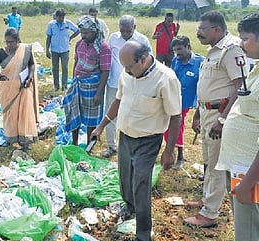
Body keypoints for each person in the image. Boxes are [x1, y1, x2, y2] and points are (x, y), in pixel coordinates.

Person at [91, 41, 181, 241]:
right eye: (123, 66)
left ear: (143, 59)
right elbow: (118, 101)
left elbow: (176, 115)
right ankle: (129, 207)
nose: (126, 71)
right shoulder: (127, 74)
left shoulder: (165, 78)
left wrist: (169, 150)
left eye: (130, 66)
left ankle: (142, 240)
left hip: (148, 140)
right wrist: (101, 126)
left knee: (141, 185)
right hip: (126, 136)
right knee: (125, 178)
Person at [184, 10, 248, 228]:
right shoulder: (213, 50)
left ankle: (210, 214)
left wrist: (222, 120)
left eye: (202, 29)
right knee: (208, 161)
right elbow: (207, 86)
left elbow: (240, 89)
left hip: (220, 116)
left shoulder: (230, 50)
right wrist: (198, 113)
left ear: (217, 29)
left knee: (216, 166)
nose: (198, 33)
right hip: (208, 112)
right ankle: (206, 200)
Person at [215, 12, 259, 241]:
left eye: (245, 38)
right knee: (248, 233)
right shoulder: (255, 68)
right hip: (241, 167)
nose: (241, 44)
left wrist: (248, 183)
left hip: (250, 173)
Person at [103, 14, 152, 158]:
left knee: (133, 114)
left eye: (128, 31)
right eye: (122, 30)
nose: (124, 34)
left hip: (135, 84)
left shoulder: (142, 40)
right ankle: (111, 146)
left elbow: (149, 62)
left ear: (134, 28)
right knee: (111, 113)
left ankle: (134, 146)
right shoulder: (113, 38)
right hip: (114, 83)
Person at [63, 15, 111, 146]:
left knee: (91, 119)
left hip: (93, 87)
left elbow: (105, 71)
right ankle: (75, 143)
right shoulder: (79, 44)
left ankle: (90, 146)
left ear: (95, 32)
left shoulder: (103, 48)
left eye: (86, 33)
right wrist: (73, 80)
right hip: (78, 84)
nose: (83, 35)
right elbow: (76, 62)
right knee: (75, 114)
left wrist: (98, 93)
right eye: (82, 32)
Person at [0, 28, 39, 151]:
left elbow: (31, 64)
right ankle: (10, 139)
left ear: (18, 41)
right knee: (10, 114)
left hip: (23, 87)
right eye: (6, 41)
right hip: (7, 88)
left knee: (24, 113)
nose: (9, 45)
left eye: (11, 42)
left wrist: (30, 78)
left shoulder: (25, 49)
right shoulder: (1, 53)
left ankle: (25, 140)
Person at [164, 36, 204, 169]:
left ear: (188, 46)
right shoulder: (176, 60)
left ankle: (180, 156)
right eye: (175, 50)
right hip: (171, 97)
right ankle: (171, 152)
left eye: (180, 49)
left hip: (186, 100)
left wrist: (199, 111)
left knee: (177, 125)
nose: (177, 53)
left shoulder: (200, 62)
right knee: (166, 125)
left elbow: (203, 86)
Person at [46, 8, 80, 91]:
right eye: (59, 17)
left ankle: (64, 86)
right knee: (55, 68)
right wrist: (47, 50)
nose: (61, 19)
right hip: (54, 50)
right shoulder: (51, 24)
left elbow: (78, 30)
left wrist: (70, 37)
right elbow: (48, 37)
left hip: (65, 49)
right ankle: (56, 86)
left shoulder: (68, 23)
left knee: (65, 68)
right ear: (56, 16)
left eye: (62, 17)